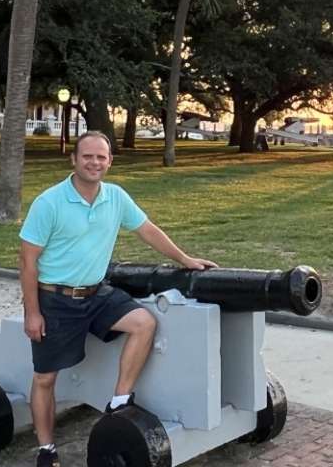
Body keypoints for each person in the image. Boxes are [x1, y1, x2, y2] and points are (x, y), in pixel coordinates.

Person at [18, 130, 217, 467]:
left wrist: (184, 260)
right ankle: (47, 449)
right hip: (56, 299)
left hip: (96, 294)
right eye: (88, 156)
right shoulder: (49, 202)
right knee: (45, 378)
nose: (94, 163)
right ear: (74, 159)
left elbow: (148, 230)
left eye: (101, 157)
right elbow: (27, 261)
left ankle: (119, 399)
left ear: (109, 162)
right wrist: (32, 313)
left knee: (143, 323)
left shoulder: (115, 197)